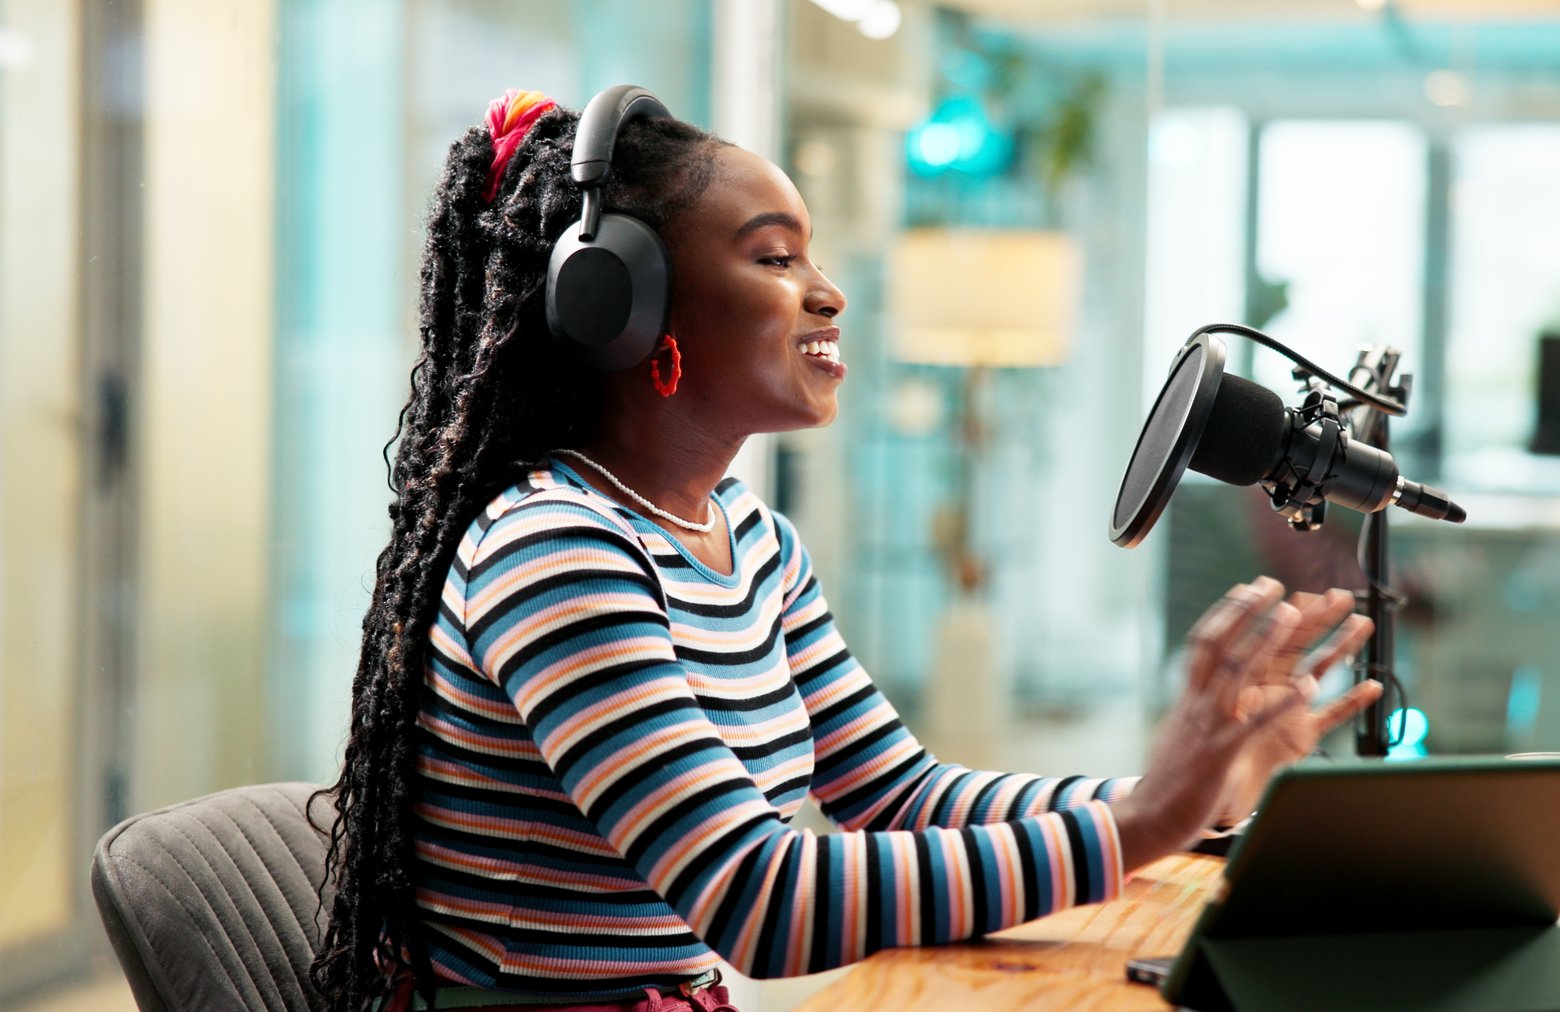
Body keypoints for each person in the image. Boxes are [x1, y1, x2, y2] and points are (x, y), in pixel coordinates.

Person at [309, 86, 1382, 1012]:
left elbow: (904, 795)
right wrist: (1143, 823)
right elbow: (761, 897)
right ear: (621, 308)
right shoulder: (553, 550)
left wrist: (1190, 792)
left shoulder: (752, 544)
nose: (828, 290)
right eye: (775, 256)